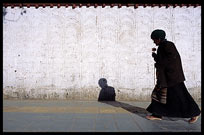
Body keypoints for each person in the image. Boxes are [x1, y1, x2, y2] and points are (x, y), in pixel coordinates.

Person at [146, 29, 201, 123]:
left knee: (181, 96)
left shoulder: (168, 45)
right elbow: (163, 60)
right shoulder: (162, 46)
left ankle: (195, 112)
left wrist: (159, 63)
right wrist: (155, 57)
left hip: (172, 78)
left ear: (159, 39)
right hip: (166, 78)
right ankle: (157, 114)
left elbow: (171, 60)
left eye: (154, 39)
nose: (154, 41)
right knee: (159, 95)